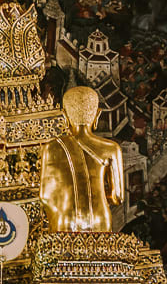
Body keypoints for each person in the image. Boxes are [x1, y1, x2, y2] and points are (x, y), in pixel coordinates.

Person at [40, 86, 127, 232]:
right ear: (97, 115)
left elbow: (45, 196)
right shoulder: (112, 148)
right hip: (100, 219)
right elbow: (117, 197)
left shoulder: (51, 147)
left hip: (65, 219)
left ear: (64, 116)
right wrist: (95, 195)